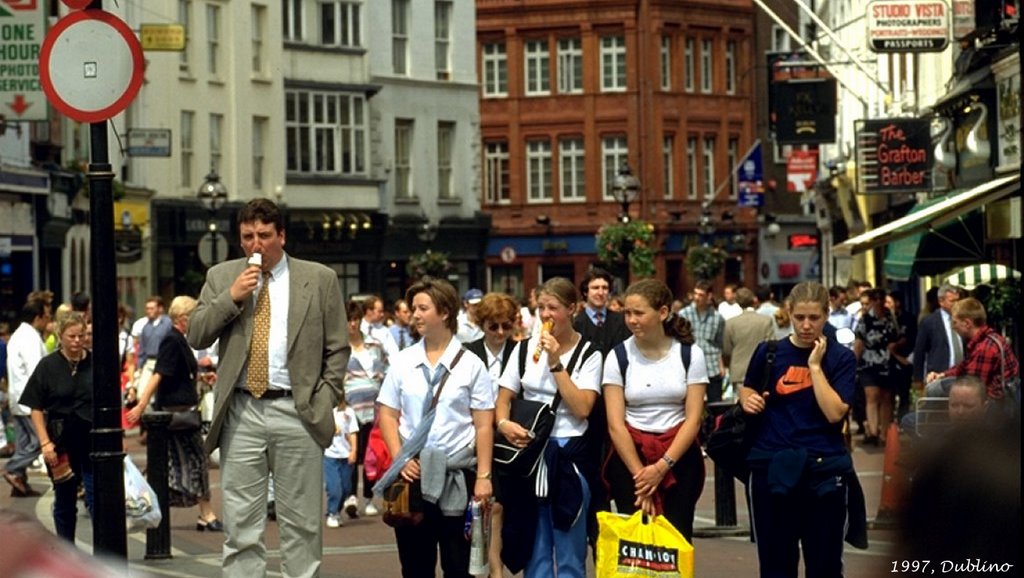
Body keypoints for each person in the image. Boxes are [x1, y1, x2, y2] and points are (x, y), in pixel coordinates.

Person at [188, 198, 349, 578]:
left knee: (302, 526)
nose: (255, 245)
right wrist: (232, 297)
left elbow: (337, 348)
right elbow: (196, 334)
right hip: (242, 411)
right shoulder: (222, 275)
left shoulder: (319, 278)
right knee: (241, 527)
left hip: (298, 410)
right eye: (247, 236)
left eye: (264, 235)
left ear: (281, 236)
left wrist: (323, 400)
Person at [739, 282, 866, 578]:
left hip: (823, 470)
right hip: (773, 468)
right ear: (789, 314)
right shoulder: (768, 352)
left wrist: (815, 367)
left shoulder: (840, 358)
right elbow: (748, 387)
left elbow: (835, 413)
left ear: (826, 315)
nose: (806, 325)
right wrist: (749, 400)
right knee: (775, 566)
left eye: (814, 318)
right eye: (799, 318)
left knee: (824, 566)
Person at [374, 278, 494, 578]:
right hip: (413, 474)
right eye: (413, 308)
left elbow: (483, 424)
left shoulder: (471, 364)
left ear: (444, 313)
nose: (414, 314)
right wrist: (401, 458)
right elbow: (388, 415)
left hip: (458, 473)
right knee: (415, 565)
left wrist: (483, 477)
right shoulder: (402, 362)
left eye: (422, 308)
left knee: (458, 565)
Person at [497, 277, 602, 578]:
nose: (545, 315)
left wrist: (556, 362)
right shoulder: (521, 351)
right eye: (541, 307)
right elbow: (503, 399)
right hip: (530, 455)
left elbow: (582, 408)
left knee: (569, 547)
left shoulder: (590, 353)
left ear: (573, 309)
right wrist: (504, 424)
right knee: (536, 547)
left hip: (569, 454)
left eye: (553, 308)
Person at [602, 279, 707, 540]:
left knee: (676, 537)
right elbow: (615, 424)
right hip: (631, 456)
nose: (632, 320)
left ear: (662, 313)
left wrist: (661, 467)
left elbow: (693, 419)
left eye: (639, 313)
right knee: (637, 543)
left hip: (678, 455)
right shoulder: (618, 356)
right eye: (627, 313)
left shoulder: (690, 355)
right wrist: (642, 477)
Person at [126, 296, 222, 531]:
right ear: (183, 319)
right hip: (176, 415)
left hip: (182, 412)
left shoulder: (179, 339)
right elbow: (159, 374)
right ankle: (202, 513)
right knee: (190, 462)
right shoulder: (172, 339)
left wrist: (200, 377)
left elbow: (178, 372)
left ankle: (197, 513)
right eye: (195, 317)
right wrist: (141, 405)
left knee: (174, 465)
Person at [19, 312, 95, 541]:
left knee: (96, 499)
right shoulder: (48, 366)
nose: (77, 341)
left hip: (92, 440)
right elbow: (36, 406)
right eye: (71, 336)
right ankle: (66, 550)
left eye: (81, 336)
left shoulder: (95, 363)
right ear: (60, 336)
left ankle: (104, 557)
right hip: (60, 442)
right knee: (65, 499)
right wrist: (45, 443)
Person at [464, 291, 519, 578]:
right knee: (490, 506)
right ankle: (491, 567)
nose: (499, 332)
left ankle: (493, 564)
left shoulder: (520, 352)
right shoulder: (467, 352)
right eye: (493, 326)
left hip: (512, 439)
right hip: (477, 438)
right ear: (481, 324)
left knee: (504, 507)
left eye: (506, 326)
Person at [927, 297, 1020, 411]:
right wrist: (942, 375)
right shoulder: (986, 340)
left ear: (967, 323)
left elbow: (971, 389)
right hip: (995, 402)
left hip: (996, 408)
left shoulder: (985, 348)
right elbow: (964, 366)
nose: (953, 327)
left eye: (955, 322)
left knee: (934, 391)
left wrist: (939, 385)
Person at [342, 300, 388, 518]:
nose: (352, 324)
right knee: (351, 453)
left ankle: (369, 497)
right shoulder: (339, 347)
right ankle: (350, 496)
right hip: (350, 408)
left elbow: (385, 371)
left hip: (375, 406)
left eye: (355, 320)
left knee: (373, 454)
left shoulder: (374, 345)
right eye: (348, 320)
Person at [3, 296, 50, 498]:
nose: (48, 319)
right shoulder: (30, 337)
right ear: (38, 317)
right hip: (29, 398)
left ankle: (19, 482)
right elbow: (36, 370)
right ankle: (13, 469)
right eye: (47, 315)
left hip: (18, 396)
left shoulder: (17, 335)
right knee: (40, 441)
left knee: (24, 442)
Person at [854, 288, 899, 446]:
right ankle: (873, 431)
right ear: (872, 301)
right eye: (876, 299)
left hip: (887, 360)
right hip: (869, 361)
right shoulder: (865, 319)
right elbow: (859, 342)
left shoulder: (890, 317)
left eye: (881, 299)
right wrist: (855, 362)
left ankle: (885, 433)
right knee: (872, 395)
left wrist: (896, 347)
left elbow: (897, 336)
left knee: (887, 397)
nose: (879, 302)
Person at [679, 280, 726, 402]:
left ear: (709, 296)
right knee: (692, 403)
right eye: (695, 294)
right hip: (690, 365)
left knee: (715, 404)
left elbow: (719, 343)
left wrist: (721, 365)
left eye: (700, 295)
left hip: (711, 365)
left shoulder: (717, 318)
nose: (696, 298)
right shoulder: (684, 314)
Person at [912, 284, 962, 394]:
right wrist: (918, 378)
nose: (956, 304)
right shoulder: (929, 322)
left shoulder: (963, 319)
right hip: (938, 375)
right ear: (941, 301)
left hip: (962, 376)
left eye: (958, 300)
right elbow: (919, 350)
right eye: (952, 301)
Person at [723, 287, 775, 389]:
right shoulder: (766, 321)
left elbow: (727, 350)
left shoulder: (731, 323)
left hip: (739, 371)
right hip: (761, 370)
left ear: (737, 302)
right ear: (753, 300)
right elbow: (771, 345)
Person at [573, 267, 631, 357]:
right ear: (585, 292)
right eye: (595, 288)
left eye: (605, 288)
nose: (600, 293)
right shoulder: (575, 324)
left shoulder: (622, 321)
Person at [323, 397, 359, 528]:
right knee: (334, 488)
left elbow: (353, 433)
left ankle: (336, 511)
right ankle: (332, 513)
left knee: (346, 488)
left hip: (346, 455)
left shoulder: (349, 412)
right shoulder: (324, 411)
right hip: (330, 455)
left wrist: (354, 451)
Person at [362, 295, 400, 361]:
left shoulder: (384, 331)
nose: (382, 314)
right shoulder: (357, 328)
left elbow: (394, 352)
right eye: (379, 311)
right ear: (369, 311)